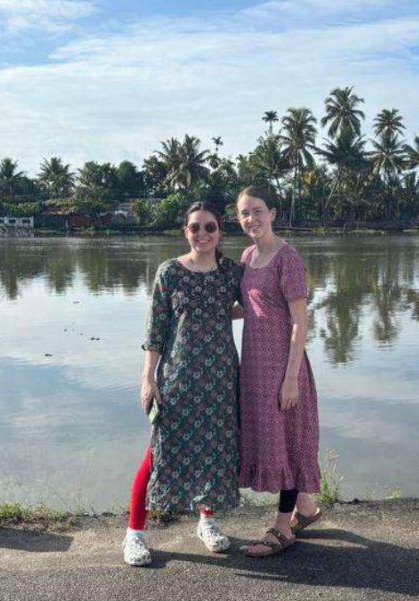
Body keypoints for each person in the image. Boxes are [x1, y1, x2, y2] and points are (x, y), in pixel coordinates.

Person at [123, 202, 243, 567]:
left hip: (221, 378)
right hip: (177, 377)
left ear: (220, 231)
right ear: (185, 232)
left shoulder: (232, 272)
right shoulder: (170, 272)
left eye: (210, 227)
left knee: (213, 450)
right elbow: (155, 330)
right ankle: (134, 534)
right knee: (157, 453)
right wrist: (148, 378)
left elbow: (250, 304)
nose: (203, 234)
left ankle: (206, 521)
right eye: (195, 228)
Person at [235, 186, 323, 558]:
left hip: (284, 367)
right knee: (272, 440)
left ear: (272, 213)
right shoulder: (248, 255)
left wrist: (290, 379)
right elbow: (250, 307)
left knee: (288, 441)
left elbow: (299, 322)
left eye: (256, 211)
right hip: (254, 365)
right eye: (243, 214)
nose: (250, 219)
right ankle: (306, 509)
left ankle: (283, 528)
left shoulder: (288, 258)